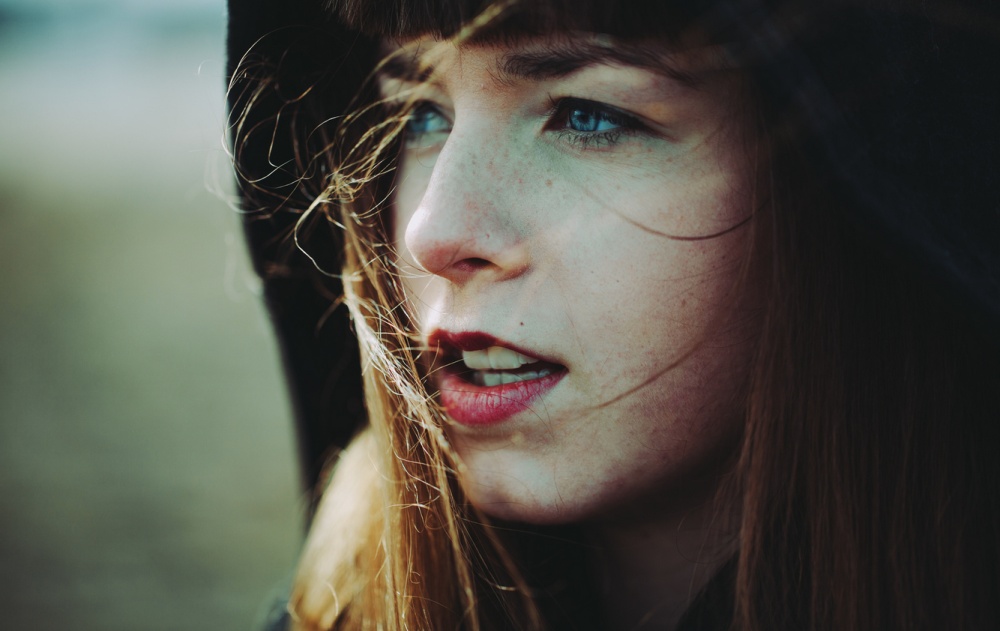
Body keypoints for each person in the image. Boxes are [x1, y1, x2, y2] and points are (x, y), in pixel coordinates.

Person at [226, 0, 1000, 629]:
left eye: (586, 115)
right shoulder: (334, 608)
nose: (435, 232)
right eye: (421, 115)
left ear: (852, 182)